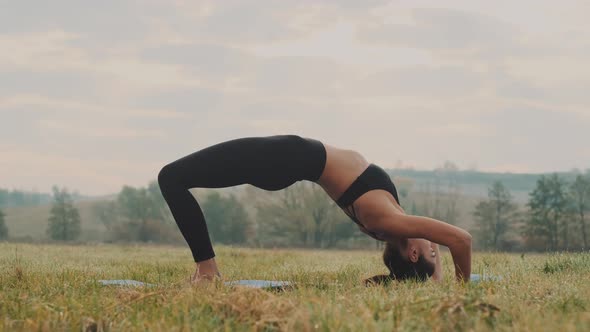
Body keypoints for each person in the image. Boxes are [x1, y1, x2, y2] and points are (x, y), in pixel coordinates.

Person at [157, 135, 472, 284]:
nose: (436, 246)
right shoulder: (392, 222)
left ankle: (208, 273)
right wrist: (434, 276)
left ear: (414, 254)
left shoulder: (387, 221)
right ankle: (207, 271)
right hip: (284, 159)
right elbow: (440, 247)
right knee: (174, 178)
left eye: (432, 253)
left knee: (171, 177)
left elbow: (460, 240)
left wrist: (461, 294)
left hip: (282, 157)